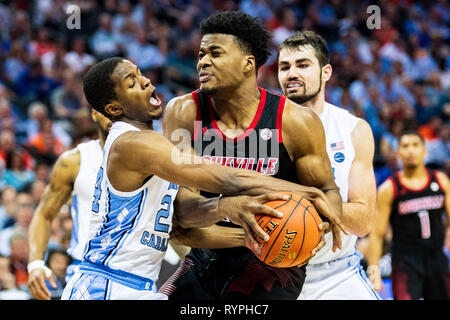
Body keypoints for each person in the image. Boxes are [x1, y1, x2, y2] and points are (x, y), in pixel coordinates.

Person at [62, 56, 340, 300]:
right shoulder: (132, 144)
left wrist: (252, 236)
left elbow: (181, 228)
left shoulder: (151, 146)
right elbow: (226, 178)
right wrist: (308, 193)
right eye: (132, 83)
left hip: (134, 285)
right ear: (113, 109)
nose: (146, 81)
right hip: (106, 285)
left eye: (140, 73)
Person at [159, 11, 344, 300]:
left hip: (273, 259)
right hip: (205, 252)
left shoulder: (294, 121)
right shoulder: (184, 112)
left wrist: (319, 225)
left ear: (248, 63)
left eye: (216, 53)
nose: (203, 62)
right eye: (201, 54)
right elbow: (181, 212)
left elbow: (327, 191)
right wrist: (227, 208)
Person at [277, 31, 380, 299]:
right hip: (271, 274)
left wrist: (306, 208)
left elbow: (363, 221)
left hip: (335, 275)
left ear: (326, 72)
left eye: (302, 64)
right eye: (284, 67)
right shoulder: (258, 131)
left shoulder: (354, 129)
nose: (291, 74)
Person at [27, 109, 111, 300]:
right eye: (108, 106)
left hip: (140, 276)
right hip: (89, 273)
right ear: (95, 113)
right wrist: (35, 264)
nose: (115, 113)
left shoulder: (155, 156)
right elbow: (44, 213)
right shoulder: (76, 159)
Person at [367, 131, 450, 300]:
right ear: (398, 152)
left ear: (424, 150)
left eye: (415, 145)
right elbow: (376, 234)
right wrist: (373, 270)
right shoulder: (389, 188)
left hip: (436, 257)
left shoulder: (441, 180)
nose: (411, 150)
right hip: (405, 261)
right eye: (405, 146)